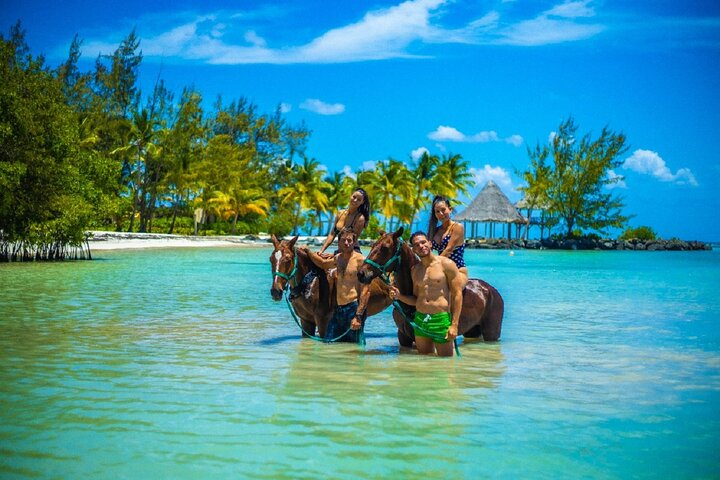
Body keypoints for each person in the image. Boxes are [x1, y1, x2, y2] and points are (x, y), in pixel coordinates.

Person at [388, 231, 463, 357]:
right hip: (420, 320)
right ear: (413, 250)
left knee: (445, 363)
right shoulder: (415, 270)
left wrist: (454, 325)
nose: (421, 246)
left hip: (440, 320)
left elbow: (457, 295)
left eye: (423, 242)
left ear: (430, 243)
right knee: (424, 362)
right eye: (417, 245)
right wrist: (399, 296)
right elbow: (416, 300)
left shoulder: (447, 265)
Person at [303, 228, 370, 343]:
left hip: (353, 309)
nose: (346, 243)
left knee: (355, 348)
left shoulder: (361, 261)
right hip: (338, 310)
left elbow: (366, 291)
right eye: (343, 240)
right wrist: (309, 251)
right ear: (338, 242)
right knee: (328, 344)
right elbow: (323, 264)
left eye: (349, 240)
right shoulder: (338, 258)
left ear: (354, 243)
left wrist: (358, 316)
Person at [427, 195, 468, 285]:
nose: (441, 214)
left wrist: (433, 265)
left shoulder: (457, 227)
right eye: (437, 212)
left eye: (443, 210)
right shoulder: (435, 231)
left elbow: (449, 250)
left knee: (454, 292)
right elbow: (427, 250)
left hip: (457, 270)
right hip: (440, 270)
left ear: (450, 209)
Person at [318, 188, 370, 254]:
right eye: (354, 197)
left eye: (359, 200)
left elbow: (353, 240)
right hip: (339, 251)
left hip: (352, 251)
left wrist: (339, 255)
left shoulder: (360, 218)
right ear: (350, 196)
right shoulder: (340, 213)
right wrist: (321, 251)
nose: (355, 200)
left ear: (362, 202)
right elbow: (332, 234)